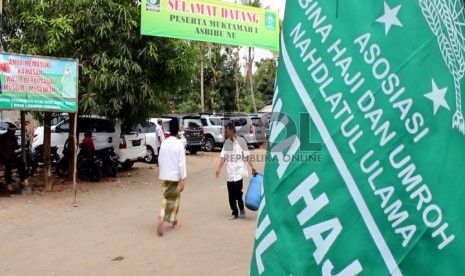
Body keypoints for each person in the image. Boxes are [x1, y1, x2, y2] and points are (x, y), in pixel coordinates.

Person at [216, 123, 256, 220]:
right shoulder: (226, 143)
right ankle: (234, 212)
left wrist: (252, 167)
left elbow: (246, 155)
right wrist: (219, 169)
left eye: (227, 131)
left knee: (238, 192)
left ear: (232, 131)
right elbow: (223, 157)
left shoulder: (241, 141)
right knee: (231, 194)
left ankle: (241, 208)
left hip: (239, 172)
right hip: (230, 172)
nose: (226, 133)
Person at [157, 119, 186, 237]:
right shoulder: (179, 145)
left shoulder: (164, 143)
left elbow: (160, 159)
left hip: (164, 175)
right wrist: (183, 179)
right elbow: (181, 163)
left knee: (172, 198)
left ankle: (174, 221)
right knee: (170, 199)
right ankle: (162, 216)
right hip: (174, 176)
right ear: (178, 130)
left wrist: (162, 172)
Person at [0, 126, 28, 191]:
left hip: (12, 155)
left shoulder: (14, 138)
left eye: (14, 132)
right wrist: (4, 154)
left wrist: (20, 146)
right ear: (9, 131)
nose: (13, 133)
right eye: (12, 132)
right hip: (3, 156)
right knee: (8, 165)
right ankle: (8, 182)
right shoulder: (2, 137)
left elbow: (16, 147)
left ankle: (22, 179)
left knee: (21, 163)